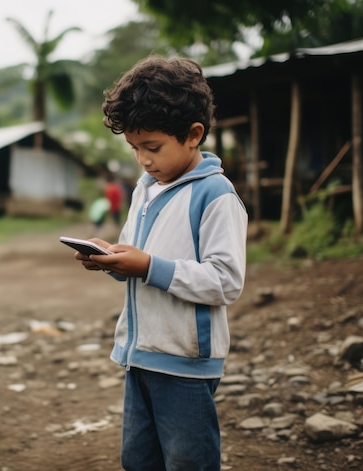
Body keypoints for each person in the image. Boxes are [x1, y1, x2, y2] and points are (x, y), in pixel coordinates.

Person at [73, 55, 248, 471]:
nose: (143, 160)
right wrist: (112, 260)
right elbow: (138, 256)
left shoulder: (216, 196)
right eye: (134, 148)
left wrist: (149, 266)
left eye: (152, 147)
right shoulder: (145, 190)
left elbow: (226, 281)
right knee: (138, 459)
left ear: (193, 134)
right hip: (140, 353)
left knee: (189, 462)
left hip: (186, 363)